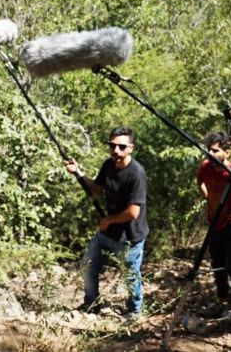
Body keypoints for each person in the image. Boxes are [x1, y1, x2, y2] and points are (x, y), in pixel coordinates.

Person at [66, 127, 148, 320]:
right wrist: (78, 172)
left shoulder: (136, 173)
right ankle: (91, 303)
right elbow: (96, 189)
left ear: (131, 148)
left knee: (131, 276)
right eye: (112, 146)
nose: (116, 150)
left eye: (121, 146)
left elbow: (133, 212)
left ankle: (135, 311)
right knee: (88, 265)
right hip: (107, 232)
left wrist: (108, 220)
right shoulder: (108, 165)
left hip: (129, 237)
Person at [197, 132, 231, 311]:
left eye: (215, 150)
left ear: (227, 152)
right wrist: (210, 199)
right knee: (217, 265)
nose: (210, 154)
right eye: (208, 150)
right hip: (214, 224)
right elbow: (200, 182)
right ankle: (222, 298)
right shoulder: (205, 167)